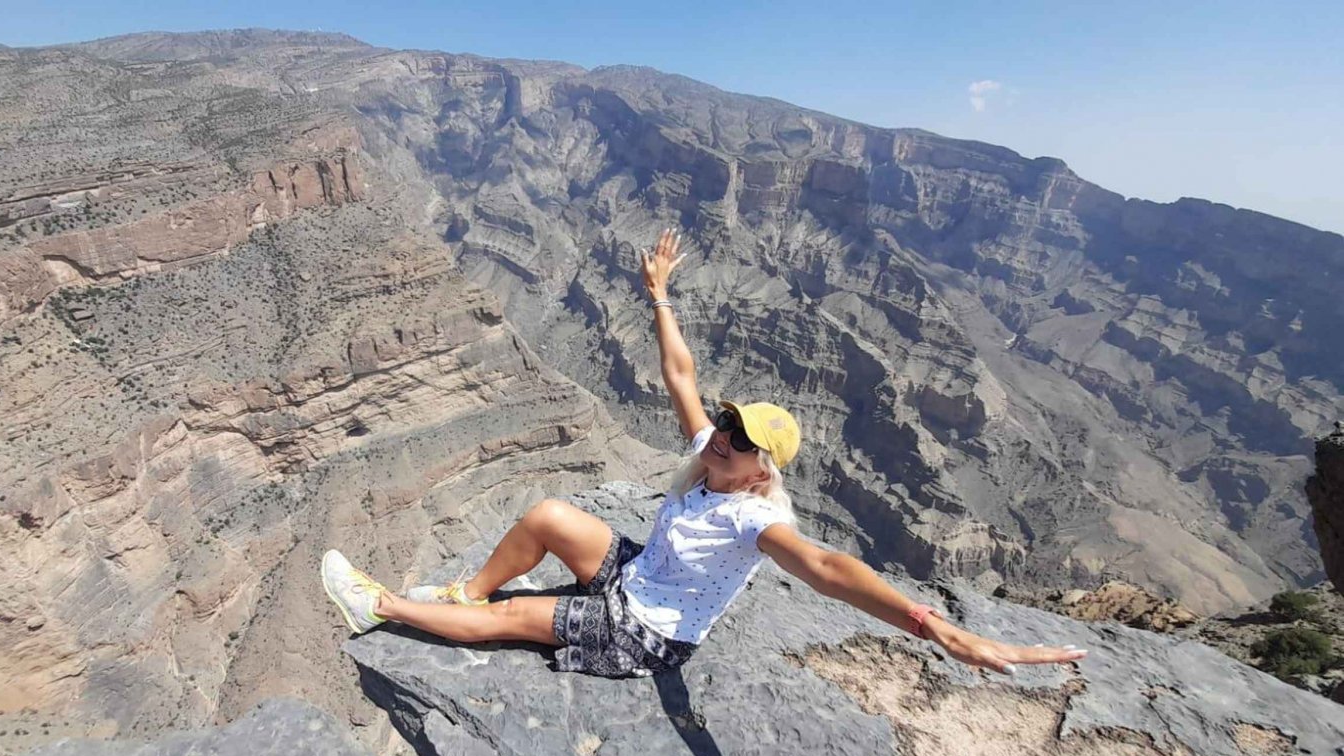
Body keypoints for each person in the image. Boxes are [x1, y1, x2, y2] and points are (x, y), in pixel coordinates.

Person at [321, 228, 1088, 678]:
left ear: (764, 468)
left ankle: (378, 606)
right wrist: (657, 293)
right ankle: (464, 591)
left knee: (518, 618)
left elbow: (826, 570)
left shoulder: (753, 518)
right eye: (730, 423)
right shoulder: (711, 456)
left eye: (743, 438)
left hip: (647, 631)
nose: (725, 434)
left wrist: (932, 624)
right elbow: (679, 374)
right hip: (635, 575)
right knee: (550, 514)